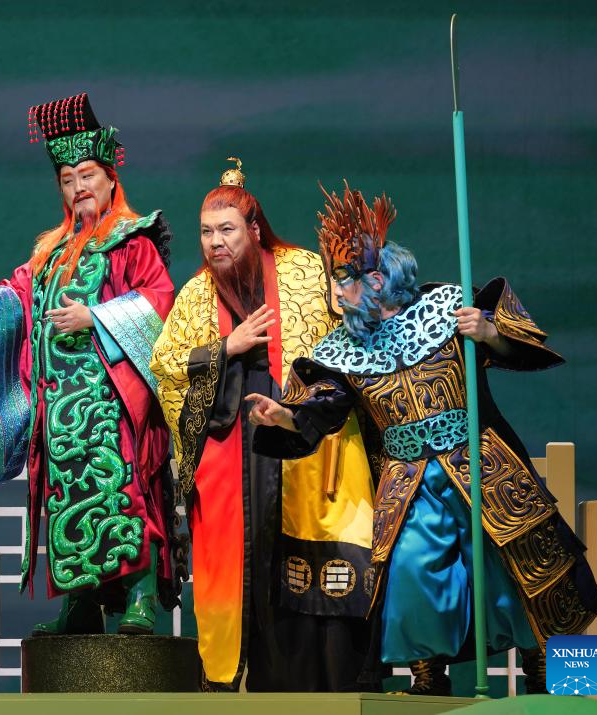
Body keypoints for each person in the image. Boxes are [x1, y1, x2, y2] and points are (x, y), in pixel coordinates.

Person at [247, 180, 597, 695]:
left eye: (344, 279)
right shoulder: (341, 350)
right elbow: (320, 409)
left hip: (482, 462)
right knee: (412, 570)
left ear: (377, 277)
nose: (336, 292)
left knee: (519, 563)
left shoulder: (448, 308)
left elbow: (523, 345)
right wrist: (282, 416)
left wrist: (489, 333)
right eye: (333, 280)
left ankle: (558, 679)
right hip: (409, 480)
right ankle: (428, 680)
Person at [150, 161, 377, 691]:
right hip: (231, 442)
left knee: (311, 562)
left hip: (303, 439)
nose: (215, 242)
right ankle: (233, 680)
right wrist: (225, 348)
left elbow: (348, 341)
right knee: (240, 567)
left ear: (254, 229)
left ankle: (322, 683)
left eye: (227, 229)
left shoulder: (304, 270)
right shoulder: (196, 293)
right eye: (206, 232)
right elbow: (165, 366)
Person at [0, 93, 177, 635]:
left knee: (122, 493)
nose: (78, 186)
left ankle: (139, 597)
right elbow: (18, 298)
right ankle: (80, 604)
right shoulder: (49, 254)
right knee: (69, 499)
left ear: (110, 179)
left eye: (87, 175)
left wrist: (96, 317)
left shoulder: (133, 240)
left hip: (111, 404)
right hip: (57, 410)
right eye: (67, 179)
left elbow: (158, 302)